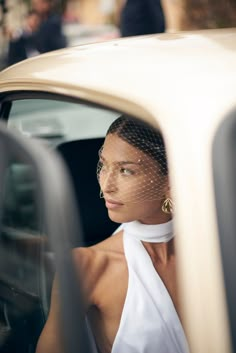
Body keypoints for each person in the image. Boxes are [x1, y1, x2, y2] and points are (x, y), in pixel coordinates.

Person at [36, 115, 189, 353]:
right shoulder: (86, 266)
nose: (105, 185)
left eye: (126, 170)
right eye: (103, 165)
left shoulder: (213, 247)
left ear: (169, 181)